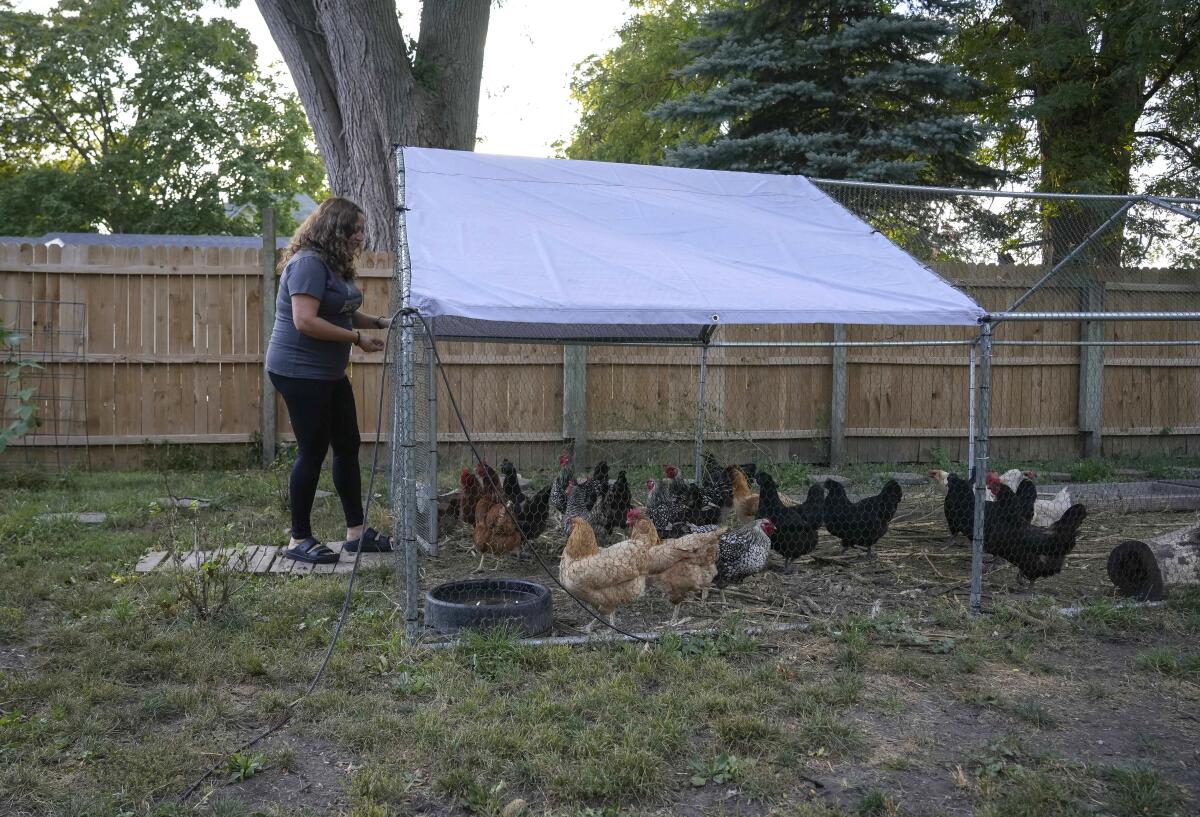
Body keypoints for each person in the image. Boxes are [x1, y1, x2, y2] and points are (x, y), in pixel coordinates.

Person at [265, 197, 391, 564]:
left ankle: (356, 533)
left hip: (329, 372)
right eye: (356, 229)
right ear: (336, 228)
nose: (360, 236)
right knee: (313, 450)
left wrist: (381, 323)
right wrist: (357, 340)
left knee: (348, 444)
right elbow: (305, 321)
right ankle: (298, 540)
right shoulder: (307, 264)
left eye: (362, 229)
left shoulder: (333, 266)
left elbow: (343, 310)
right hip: (298, 370)